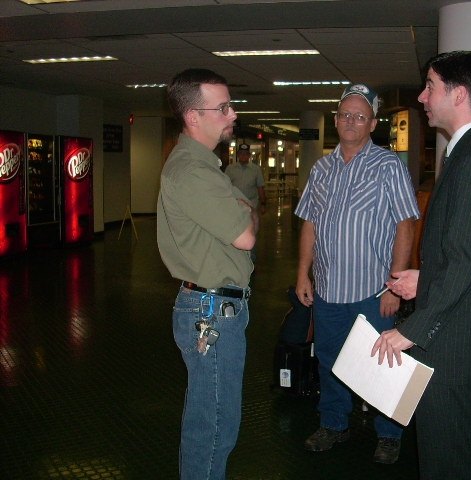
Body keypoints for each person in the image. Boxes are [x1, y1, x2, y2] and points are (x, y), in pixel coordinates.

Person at [371, 51, 471, 479]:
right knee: (462, 454)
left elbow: (466, 263)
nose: (421, 96)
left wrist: (410, 331)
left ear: (457, 93)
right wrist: (426, 278)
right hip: (465, 342)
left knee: (449, 462)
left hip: (457, 350)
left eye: (430, 86)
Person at [295, 83, 420, 464]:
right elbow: (310, 225)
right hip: (329, 291)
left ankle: (389, 434)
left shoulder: (387, 165)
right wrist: (303, 274)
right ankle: (334, 423)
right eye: (345, 114)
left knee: (383, 365)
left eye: (359, 116)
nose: (351, 121)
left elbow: (405, 224)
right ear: (336, 120)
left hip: (372, 290)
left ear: (373, 123)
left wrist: (395, 286)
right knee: (330, 361)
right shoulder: (321, 169)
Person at [157, 68, 258, 480]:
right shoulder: (194, 172)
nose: (232, 114)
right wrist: (244, 207)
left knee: (212, 416)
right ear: (193, 117)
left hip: (214, 306)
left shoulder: (204, 167)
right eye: (223, 108)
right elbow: (247, 235)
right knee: (214, 424)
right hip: (211, 311)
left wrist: (240, 206)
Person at [225, 143, 267, 214]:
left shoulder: (256, 169)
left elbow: (260, 187)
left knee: (252, 224)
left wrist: (263, 204)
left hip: (251, 204)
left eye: (246, 153)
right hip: (235, 204)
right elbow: (225, 186)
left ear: (249, 156)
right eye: (241, 153)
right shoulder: (230, 169)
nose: (243, 155)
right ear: (238, 155)